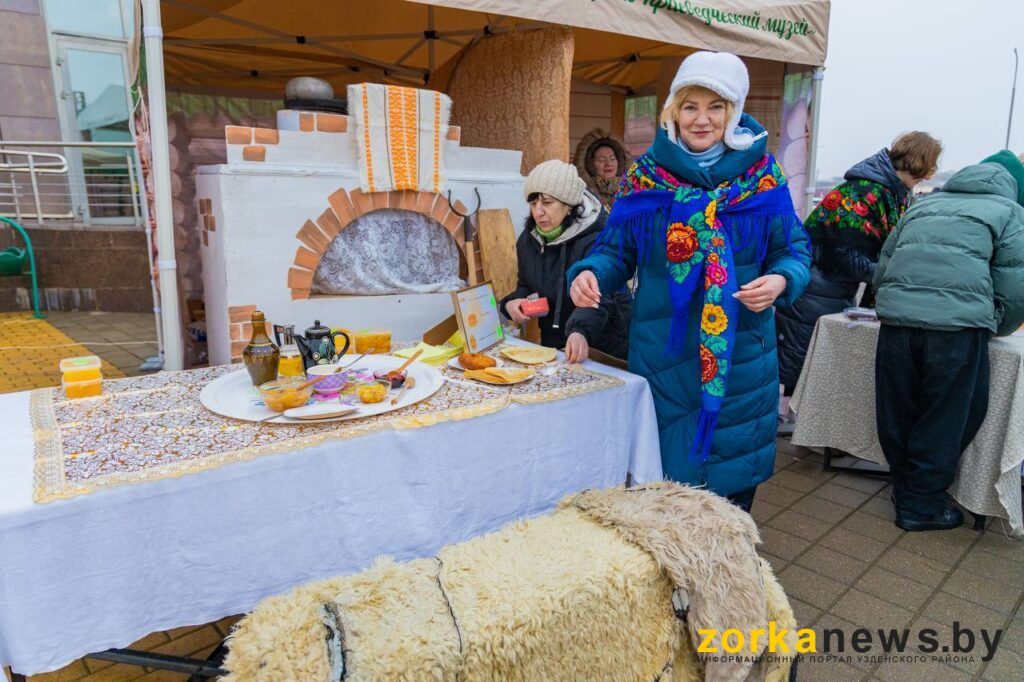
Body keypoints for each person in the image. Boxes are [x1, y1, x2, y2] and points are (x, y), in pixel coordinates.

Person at [568, 51, 810, 511]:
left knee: (733, 492)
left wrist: (780, 280)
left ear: (733, 112)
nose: (702, 119)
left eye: (715, 107)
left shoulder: (763, 177)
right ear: (673, 111)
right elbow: (616, 250)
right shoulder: (644, 178)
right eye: (690, 106)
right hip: (665, 354)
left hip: (741, 356)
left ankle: (726, 575)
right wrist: (589, 273)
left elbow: (794, 250)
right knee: (666, 489)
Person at [873, 150, 1024, 531]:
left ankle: (904, 486)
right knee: (947, 416)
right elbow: (1015, 285)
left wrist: (895, 305)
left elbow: (884, 267)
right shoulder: (1009, 213)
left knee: (898, 408)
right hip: (957, 331)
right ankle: (921, 505)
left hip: (897, 324)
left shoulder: (923, 206)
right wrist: (994, 324)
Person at [775, 133, 942, 434]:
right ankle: (788, 418)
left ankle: (797, 419)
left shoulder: (893, 192)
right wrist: (893, 274)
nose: (933, 171)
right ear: (922, 162)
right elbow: (844, 255)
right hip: (817, 282)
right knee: (801, 351)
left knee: (807, 350)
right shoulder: (866, 191)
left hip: (833, 284)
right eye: (933, 163)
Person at [501, 159, 631, 363]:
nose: (538, 211)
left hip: (603, 347)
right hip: (555, 348)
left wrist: (580, 331)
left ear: (569, 205)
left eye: (547, 202)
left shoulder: (598, 238)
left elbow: (603, 296)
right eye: (533, 203)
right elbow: (527, 285)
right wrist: (512, 304)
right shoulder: (528, 241)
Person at [574, 129, 629, 211]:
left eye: (612, 158)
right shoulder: (581, 196)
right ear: (590, 165)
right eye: (601, 160)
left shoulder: (632, 192)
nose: (608, 164)